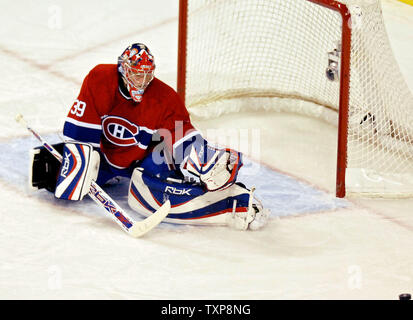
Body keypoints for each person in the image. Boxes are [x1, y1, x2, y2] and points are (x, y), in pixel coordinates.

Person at [29, 43, 269, 230]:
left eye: (147, 74)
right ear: (123, 69)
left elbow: (181, 135)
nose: (142, 81)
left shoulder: (164, 97)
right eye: (136, 74)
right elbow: (80, 127)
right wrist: (80, 160)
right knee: (50, 167)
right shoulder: (100, 78)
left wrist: (205, 159)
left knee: (142, 198)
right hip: (105, 156)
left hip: (142, 159)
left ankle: (229, 203)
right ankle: (104, 174)